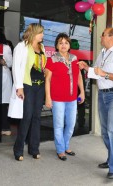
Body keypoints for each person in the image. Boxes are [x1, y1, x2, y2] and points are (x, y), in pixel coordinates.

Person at [78, 28, 113, 179]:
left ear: (111, 37)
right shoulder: (102, 53)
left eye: (103, 34)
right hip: (102, 95)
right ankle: (111, 158)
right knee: (106, 131)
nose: (100, 36)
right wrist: (87, 68)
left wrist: (104, 74)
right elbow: (96, 72)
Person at [8, 23, 46, 161]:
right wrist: (19, 87)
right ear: (34, 33)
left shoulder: (41, 47)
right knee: (27, 117)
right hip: (27, 85)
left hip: (40, 86)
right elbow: (16, 67)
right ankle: (18, 149)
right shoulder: (22, 46)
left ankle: (34, 149)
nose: (43, 35)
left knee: (36, 117)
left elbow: (42, 67)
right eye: (41, 32)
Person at [45, 33, 85, 161]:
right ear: (56, 45)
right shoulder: (52, 59)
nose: (63, 45)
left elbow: (78, 76)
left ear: (69, 45)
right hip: (57, 98)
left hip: (72, 98)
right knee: (59, 125)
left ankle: (66, 145)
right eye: (61, 42)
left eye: (66, 43)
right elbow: (47, 80)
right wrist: (48, 97)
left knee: (71, 124)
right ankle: (60, 149)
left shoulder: (74, 58)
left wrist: (82, 92)